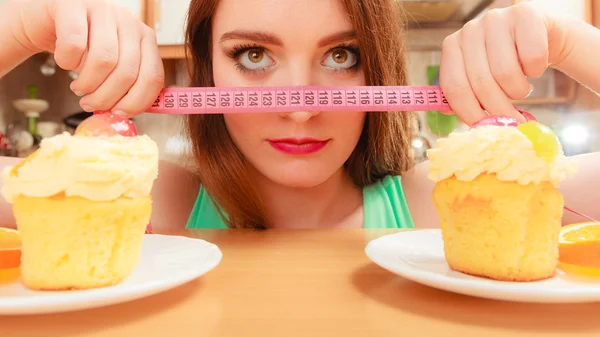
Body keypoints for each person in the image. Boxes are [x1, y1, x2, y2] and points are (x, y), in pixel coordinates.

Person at [1, 0, 600, 230]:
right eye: (253, 55)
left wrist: (567, 40)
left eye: (343, 56)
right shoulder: (141, 205)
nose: (300, 104)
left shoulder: (452, 202)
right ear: (207, 68)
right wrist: (27, 24)